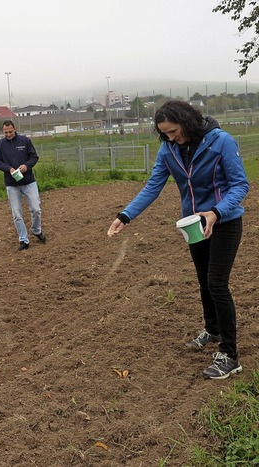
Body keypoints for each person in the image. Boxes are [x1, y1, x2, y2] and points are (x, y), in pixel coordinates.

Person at [107, 100, 250, 380]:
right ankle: (212, 329)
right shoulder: (168, 149)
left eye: (174, 131)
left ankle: (230, 355)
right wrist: (124, 216)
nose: (171, 137)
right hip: (194, 224)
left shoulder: (220, 142)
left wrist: (217, 212)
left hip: (224, 221)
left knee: (217, 283)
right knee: (203, 281)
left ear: (187, 121)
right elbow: (153, 186)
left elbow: (240, 184)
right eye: (166, 134)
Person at [0, 120, 46, 251]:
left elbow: (34, 157)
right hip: (11, 184)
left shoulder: (25, 141)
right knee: (17, 213)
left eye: (10, 132)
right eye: (6, 132)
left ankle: (36, 230)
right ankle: (23, 239)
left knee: (36, 209)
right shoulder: (0, 145)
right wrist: (9, 169)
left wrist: (26, 166)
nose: (8, 134)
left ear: (14, 129)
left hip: (28, 181)